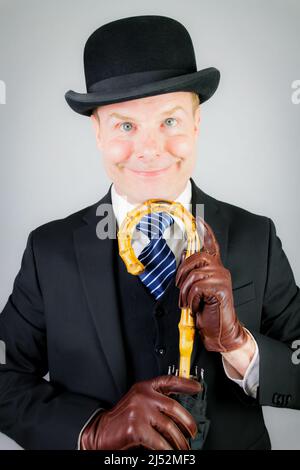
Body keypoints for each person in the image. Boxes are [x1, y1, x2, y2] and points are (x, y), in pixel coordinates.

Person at [0, 15, 299, 451]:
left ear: (197, 124)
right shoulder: (49, 252)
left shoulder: (257, 236)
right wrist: (92, 430)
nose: (149, 148)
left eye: (170, 121)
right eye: (125, 125)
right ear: (97, 133)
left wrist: (239, 345)